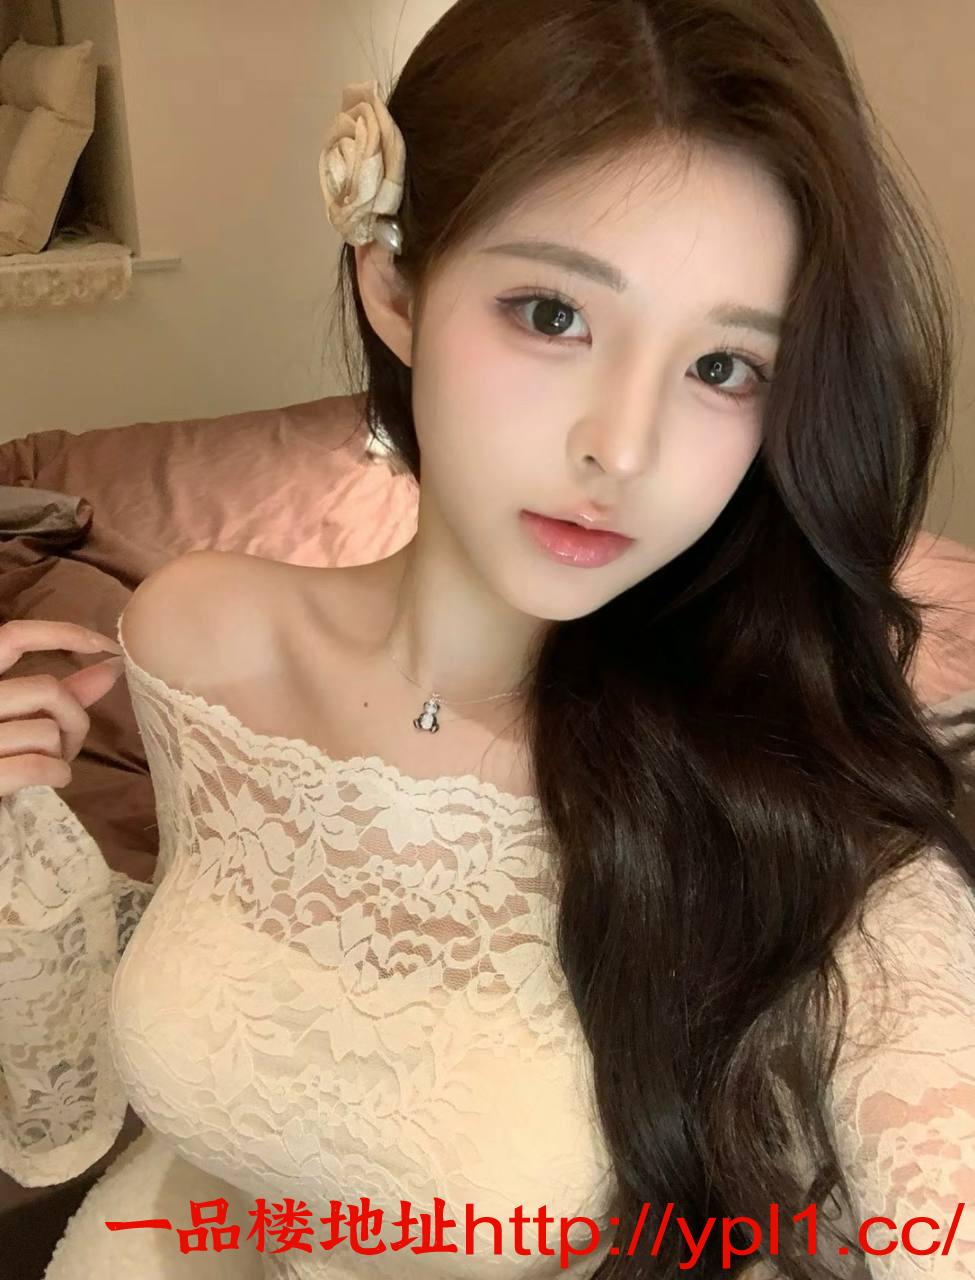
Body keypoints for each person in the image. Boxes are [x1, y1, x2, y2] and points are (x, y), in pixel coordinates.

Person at [1, 1, 974, 1276]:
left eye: (725, 367)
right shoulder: (199, 639)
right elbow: (214, 989)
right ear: (394, 285)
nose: (622, 449)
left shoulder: (801, 798)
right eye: (553, 314)